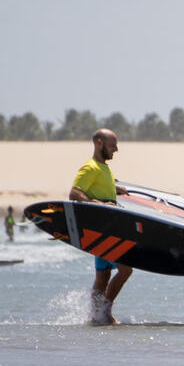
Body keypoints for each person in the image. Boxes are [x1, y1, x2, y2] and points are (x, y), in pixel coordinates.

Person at [69, 128, 131, 325]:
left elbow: (102, 186)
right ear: (98, 143)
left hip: (104, 227)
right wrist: (102, 204)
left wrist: (115, 189)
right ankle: (104, 310)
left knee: (103, 275)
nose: (116, 149)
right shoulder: (90, 168)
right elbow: (75, 193)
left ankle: (95, 316)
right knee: (125, 270)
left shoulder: (103, 168)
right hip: (104, 228)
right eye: (112, 145)